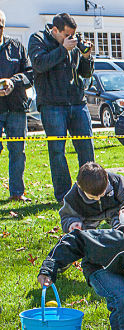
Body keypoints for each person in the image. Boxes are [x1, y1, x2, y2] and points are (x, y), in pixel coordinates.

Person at [28, 13, 94, 203]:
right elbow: (39, 65)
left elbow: (84, 72)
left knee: (86, 148)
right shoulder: (38, 39)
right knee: (57, 151)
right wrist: (63, 49)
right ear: (55, 30)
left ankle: (89, 190)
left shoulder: (73, 44)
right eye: (67, 35)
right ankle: (64, 195)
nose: (71, 38)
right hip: (52, 104)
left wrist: (88, 57)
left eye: (74, 35)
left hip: (76, 101)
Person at [0, 9, 34, 202]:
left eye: (0, 25)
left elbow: (30, 74)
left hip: (16, 108)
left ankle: (17, 192)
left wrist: (13, 81)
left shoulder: (17, 47)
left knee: (17, 152)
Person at [58, 161, 124, 233]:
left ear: (107, 178)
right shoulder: (73, 196)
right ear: (80, 187)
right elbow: (66, 216)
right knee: (83, 236)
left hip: (116, 212)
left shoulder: (117, 182)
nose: (98, 198)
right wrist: (72, 223)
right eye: (92, 197)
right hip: (88, 217)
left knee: (123, 229)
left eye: (102, 194)